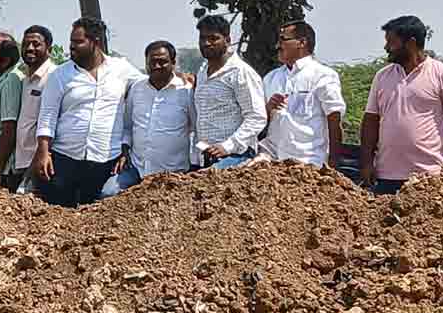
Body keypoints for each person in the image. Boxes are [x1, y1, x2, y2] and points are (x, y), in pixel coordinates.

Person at [32, 17, 145, 208]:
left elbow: (148, 84)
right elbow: (47, 116)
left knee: (97, 215)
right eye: (71, 42)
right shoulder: (60, 75)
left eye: (78, 42)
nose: (71, 47)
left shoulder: (121, 69)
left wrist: (180, 78)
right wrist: (43, 153)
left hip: (105, 159)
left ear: (96, 42)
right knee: (58, 214)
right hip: (65, 158)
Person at [360, 15, 443, 195]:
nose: (386, 48)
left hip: (427, 177)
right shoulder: (382, 76)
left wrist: (434, 131)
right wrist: (365, 164)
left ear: (411, 43)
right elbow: (370, 122)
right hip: (386, 175)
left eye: (391, 42)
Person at [100, 41, 196, 197]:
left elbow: (196, 128)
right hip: (137, 168)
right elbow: (127, 126)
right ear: (146, 63)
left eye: (163, 61)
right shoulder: (137, 89)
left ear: (173, 63)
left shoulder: (186, 91)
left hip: (173, 174)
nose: (157, 66)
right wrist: (124, 151)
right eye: (152, 62)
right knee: (108, 193)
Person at [259, 20, 346, 167]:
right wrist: (268, 109)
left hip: (309, 162)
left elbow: (334, 117)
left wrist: (333, 161)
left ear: (302, 42)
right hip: (272, 161)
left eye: (283, 40)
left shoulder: (322, 75)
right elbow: (259, 120)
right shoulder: (271, 78)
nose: (277, 46)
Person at [191, 14, 267, 169]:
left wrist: (227, 146)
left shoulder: (240, 72)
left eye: (213, 38)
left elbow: (256, 117)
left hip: (236, 155)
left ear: (227, 40)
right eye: (203, 38)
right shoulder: (202, 72)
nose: (206, 43)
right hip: (205, 156)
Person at [0, 25, 55, 194]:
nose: (30, 49)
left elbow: (51, 124)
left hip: (40, 163)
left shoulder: (54, 77)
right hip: (21, 161)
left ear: (49, 48)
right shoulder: (24, 78)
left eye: (36, 44)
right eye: (26, 44)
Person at [0, 31, 25, 191]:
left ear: (5, 61)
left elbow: (8, 129)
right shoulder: (1, 80)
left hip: (7, 171)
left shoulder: (11, 81)